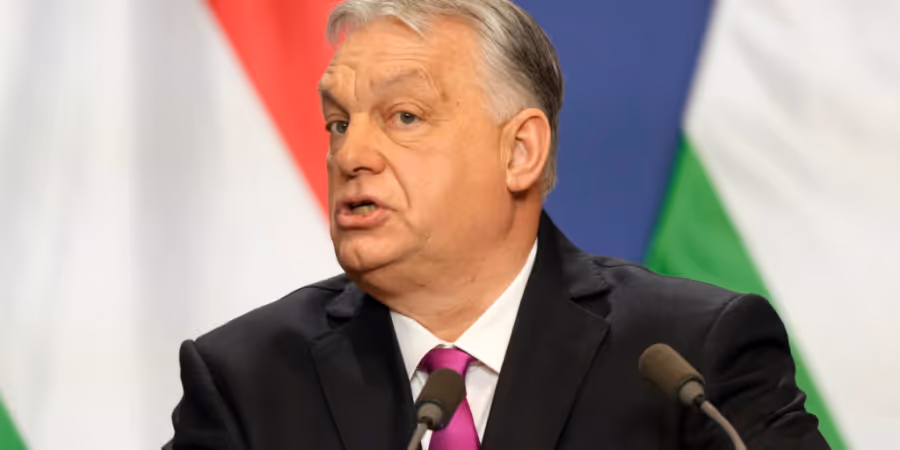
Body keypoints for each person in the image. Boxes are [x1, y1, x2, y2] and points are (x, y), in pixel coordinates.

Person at [167, 0, 830, 449]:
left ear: (519, 152)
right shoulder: (246, 380)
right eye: (338, 123)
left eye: (404, 117)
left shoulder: (689, 362)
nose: (350, 154)